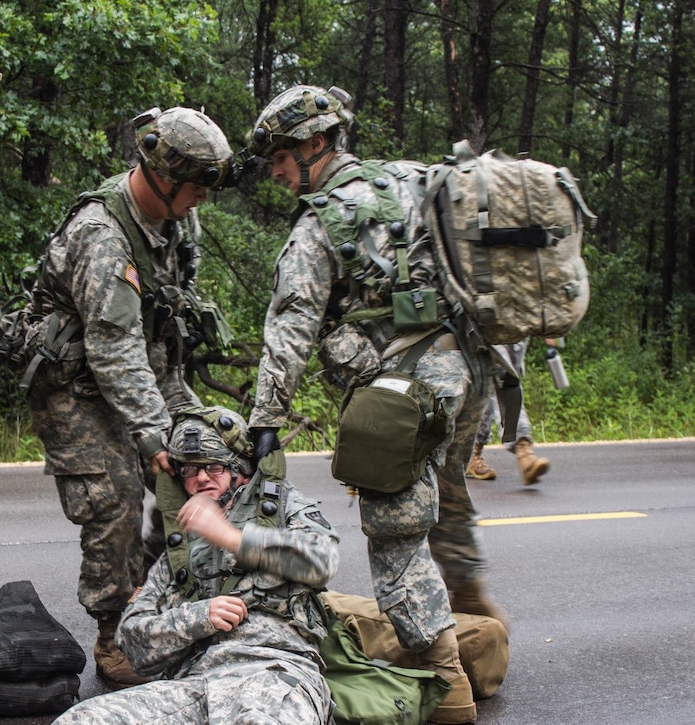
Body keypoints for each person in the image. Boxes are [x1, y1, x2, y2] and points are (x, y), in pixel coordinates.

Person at [244, 84, 505, 723]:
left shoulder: (320, 221)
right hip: (471, 372)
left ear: (315, 143)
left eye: (280, 155)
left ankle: (449, 692)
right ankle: (479, 625)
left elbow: (291, 325)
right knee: (443, 502)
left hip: (406, 396)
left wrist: (266, 420)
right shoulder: (415, 180)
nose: (276, 170)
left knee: (394, 538)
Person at [22, 106, 236, 688]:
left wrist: (180, 431)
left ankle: (164, 584)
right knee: (115, 492)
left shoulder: (172, 223)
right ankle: (114, 632)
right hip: (76, 384)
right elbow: (111, 348)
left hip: (149, 366)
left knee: (214, 459)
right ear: (163, 177)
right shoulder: (101, 238)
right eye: (194, 188)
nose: (200, 201)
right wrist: (150, 437)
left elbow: (156, 330)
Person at [52, 406, 340, 724]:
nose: (201, 478)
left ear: (240, 468)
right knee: (82, 719)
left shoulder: (279, 508)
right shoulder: (179, 550)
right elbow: (133, 644)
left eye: (214, 466)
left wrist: (232, 538)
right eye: (190, 469)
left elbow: (324, 558)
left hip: (275, 675)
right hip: (195, 686)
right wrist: (199, 617)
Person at [466, 339, 551, 485]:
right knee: (504, 381)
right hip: (488, 326)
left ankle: (472, 451)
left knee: (500, 383)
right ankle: (523, 451)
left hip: (518, 328)